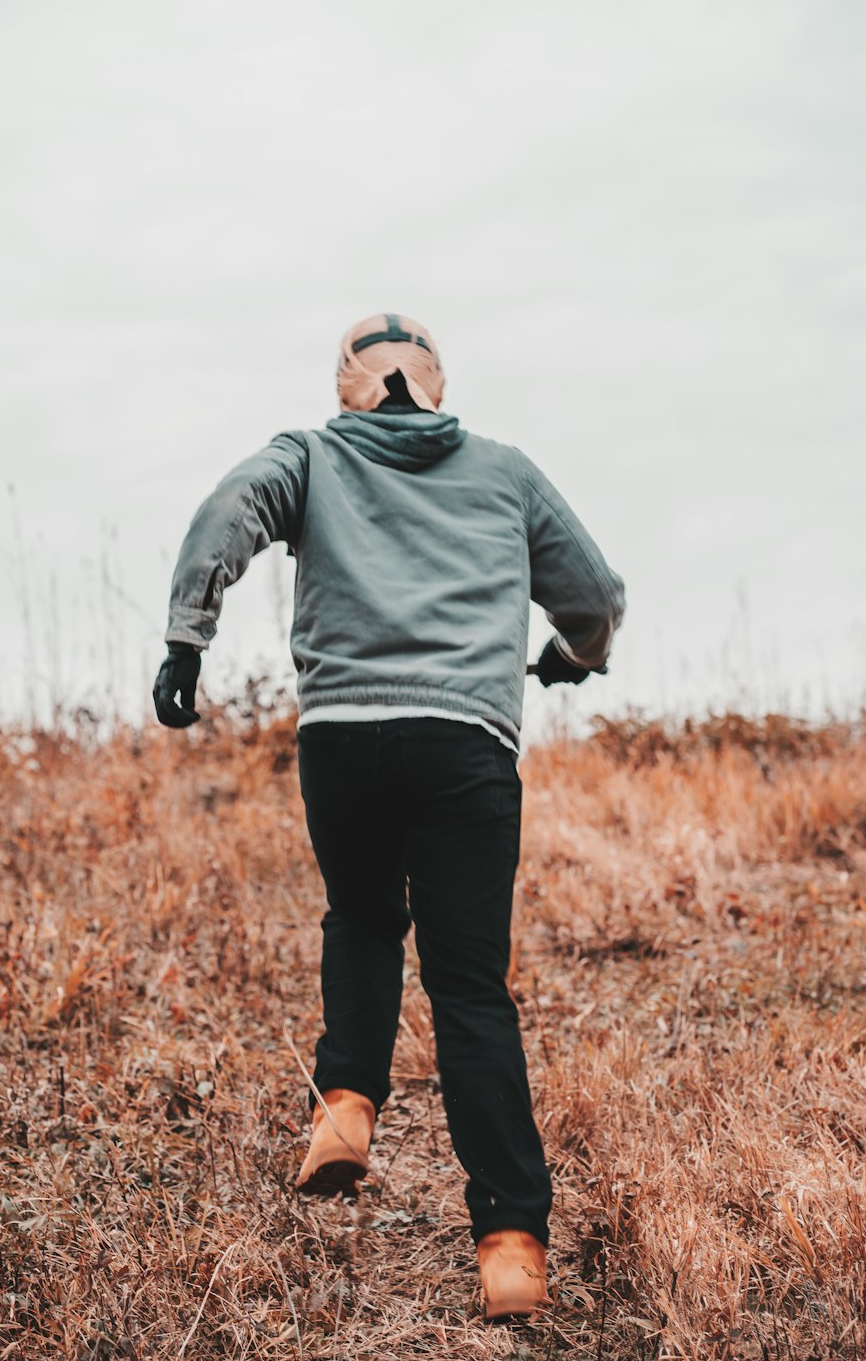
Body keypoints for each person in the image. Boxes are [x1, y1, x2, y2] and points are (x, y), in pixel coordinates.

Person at [154, 313, 625, 1321]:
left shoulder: (310, 456)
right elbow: (594, 592)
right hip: (464, 749)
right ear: (438, 385)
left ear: (343, 386)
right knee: (467, 990)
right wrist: (573, 655)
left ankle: (345, 1107)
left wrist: (187, 641)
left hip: (344, 743)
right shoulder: (504, 472)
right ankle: (509, 1248)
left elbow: (230, 508)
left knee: (363, 919)